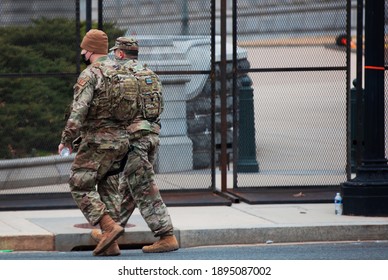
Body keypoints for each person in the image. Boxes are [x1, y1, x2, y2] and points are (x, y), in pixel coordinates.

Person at [91, 36, 179, 254]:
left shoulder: (123, 76)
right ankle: (111, 232)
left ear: (120, 53)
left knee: (143, 187)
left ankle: (166, 234)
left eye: (115, 53)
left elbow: (119, 111)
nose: (113, 56)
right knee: (130, 189)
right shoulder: (150, 74)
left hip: (134, 140)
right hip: (152, 136)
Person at [58, 29, 129, 256]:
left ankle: (109, 227)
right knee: (109, 190)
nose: (81, 51)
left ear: (90, 50)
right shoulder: (122, 72)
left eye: (83, 48)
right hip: (122, 141)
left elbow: (79, 112)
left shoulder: (90, 75)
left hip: (98, 141)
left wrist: (66, 140)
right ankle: (112, 245)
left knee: (79, 183)